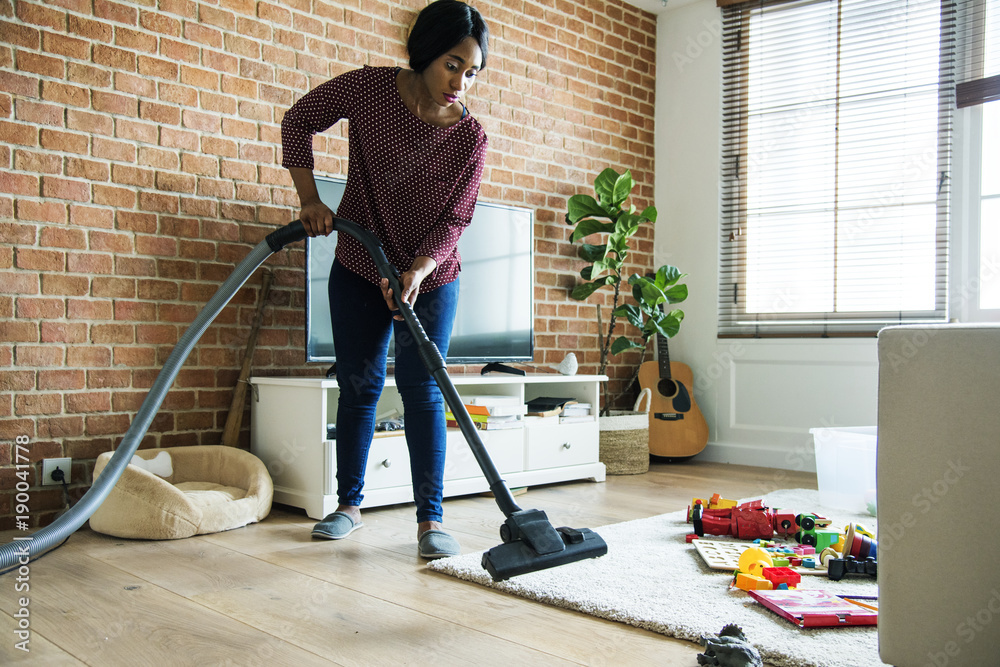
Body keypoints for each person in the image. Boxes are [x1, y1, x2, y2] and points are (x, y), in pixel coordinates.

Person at [280, 0, 489, 559]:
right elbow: (298, 119)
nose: (459, 82)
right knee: (360, 385)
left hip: (431, 276)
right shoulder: (369, 90)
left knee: (422, 390)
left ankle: (430, 520)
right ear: (424, 51)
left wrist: (418, 270)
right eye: (452, 64)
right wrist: (309, 200)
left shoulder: (471, 138)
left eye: (471, 73)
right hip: (357, 263)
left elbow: (456, 219)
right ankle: (349, 505)